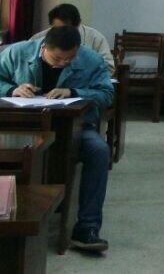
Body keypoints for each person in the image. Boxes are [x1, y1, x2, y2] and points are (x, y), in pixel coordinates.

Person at [0, 26, 113, 251]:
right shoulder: (17, 53)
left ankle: (87, 229)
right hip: (21, 128)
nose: (63, 63)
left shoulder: (91, 60)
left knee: (99, 151)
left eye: (70, 59)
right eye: (58, 59)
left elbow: (107, 94)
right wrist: (11, 89)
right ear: (43, 48)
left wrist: (74, 92)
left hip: (75, 129)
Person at [31, 3, 115, 75]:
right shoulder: (38, 38)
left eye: (66, 29)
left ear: (78, 23)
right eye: (57, 29)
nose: (63, 34)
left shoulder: (95, 38)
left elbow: (109, 68)